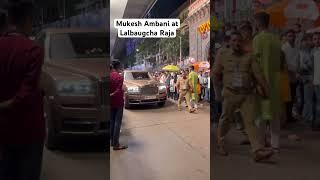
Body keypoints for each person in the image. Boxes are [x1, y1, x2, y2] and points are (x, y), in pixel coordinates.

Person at [0, 2, 45, 180]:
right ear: (27, 20)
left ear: (9, 19)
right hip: (29, 129)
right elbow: (26, 93)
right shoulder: (33, 49)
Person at [213, 32, 273, 161]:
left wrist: (267, 91)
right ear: (230, 42)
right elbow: (215, 74)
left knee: (250, 122)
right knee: (226, 119)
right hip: (230, 93)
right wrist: (217, 93)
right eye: (234, 40)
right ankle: (221, 143)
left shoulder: (249, 57)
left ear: (243, 43)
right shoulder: (222, 55)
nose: (237, 43)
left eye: (239, 41)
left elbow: (259, 75)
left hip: (247, 94)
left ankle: (257, 151)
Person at [253, 12, 282, 152]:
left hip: (262, 81)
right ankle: (275, 144)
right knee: (274, 113)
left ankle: (261, 143)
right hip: (276, 82)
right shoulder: (277, 39)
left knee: (260, 113)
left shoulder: (258, 39)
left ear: (258, 23)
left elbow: (255, 62)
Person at [282, 29, 300, 122]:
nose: (291, 38)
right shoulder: (284, 48)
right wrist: (291, 72)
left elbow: (297, 61)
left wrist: (297, 72)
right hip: (287, 75)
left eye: (293, 36)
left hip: (295, 75)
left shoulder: (297, 48)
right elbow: (284, 63)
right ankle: (287, 117)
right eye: (289, 36)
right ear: (286, 37)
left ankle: (290, 116)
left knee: (293, 97)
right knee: (287, 98)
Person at [110, 61, 127, 150]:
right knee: (117, 122)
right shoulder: (119, 77)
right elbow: (119, 90)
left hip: (110, 102)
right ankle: (116, 144)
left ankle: (112, 141)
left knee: (112, 121)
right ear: (118, 66)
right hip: (118, 102)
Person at [298, 35, 314, 126]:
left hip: (310, 78)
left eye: (309, 40)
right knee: (305, 99)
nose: (308, 42)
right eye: (306, 41)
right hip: (305, 78)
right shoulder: (301, 52)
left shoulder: (311, 51)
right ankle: (307, 116)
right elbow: (300, 66)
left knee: (308, 99)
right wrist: (306, 66)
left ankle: (309, 116)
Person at [312, 32, 320, 130]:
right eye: (315, 39)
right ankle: (317, 122)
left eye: (318, 38)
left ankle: (317, 123)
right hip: (316, 81)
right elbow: (313, 68)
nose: (317, 40)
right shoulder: (313, 51)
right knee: (316, 103)